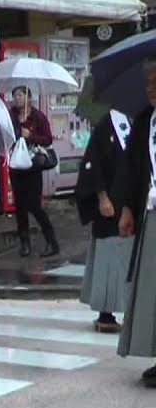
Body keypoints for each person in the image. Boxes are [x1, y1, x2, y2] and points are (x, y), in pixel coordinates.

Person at [114, 58, 156, 385]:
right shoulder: (145, 121)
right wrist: (126, 208)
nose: (151, 90)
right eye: (148, 85)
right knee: (150, 287)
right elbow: (130, 169)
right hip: (149, 211)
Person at [76, 108, 133, 333]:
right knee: (108, 256)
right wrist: (101, 196)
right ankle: (106, 313)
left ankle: (134, 312)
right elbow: (93, 162)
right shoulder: (109, 123)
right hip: (110, 199)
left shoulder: (147, 123)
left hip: (136, 201)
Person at [8, 86, 59, 257]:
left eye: (20, 95)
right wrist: (16, 133)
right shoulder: (11, 115)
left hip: (33, 165)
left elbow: (47, 139)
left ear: (29, 97)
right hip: (16, 165)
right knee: (20, 206)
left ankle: (51, 241)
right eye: (15, 95)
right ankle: (25, 243)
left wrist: (30, 136)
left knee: (34, 205)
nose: (17, 99)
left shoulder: (38, 117)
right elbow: (1, 134)